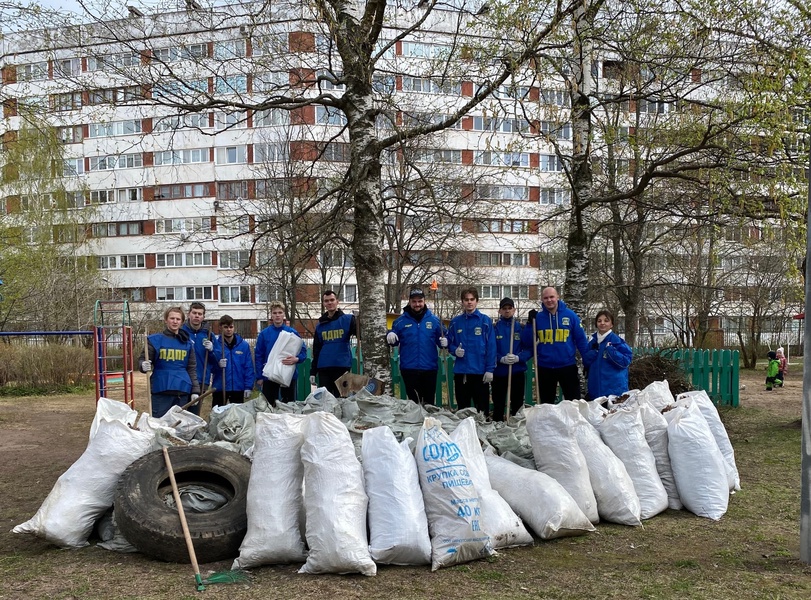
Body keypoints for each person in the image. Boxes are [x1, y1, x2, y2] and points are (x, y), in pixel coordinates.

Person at [386, 288, 448, 405]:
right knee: (414, 404)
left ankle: (428, 423)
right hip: (409, 368)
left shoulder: (434, 321)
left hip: (429, 368)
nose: (417, 304)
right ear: (409, 302)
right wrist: (390, 334)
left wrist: (446, 341)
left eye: (420, 301)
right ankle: (415, 423)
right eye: (414, 301)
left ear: (424, 301)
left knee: (429, 403)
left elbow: (444, 338)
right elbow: (393, 341)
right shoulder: (400, 322)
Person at [528, 287, 590, 403]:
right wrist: (529, 324)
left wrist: (587, 361)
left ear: (557, 297)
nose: (549, 300)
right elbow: (528, 341)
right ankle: (549, 422)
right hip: (545, 367)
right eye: (546, 298)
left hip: (567, 366)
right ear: (542, 299)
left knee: (573, 402)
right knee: (547, 404)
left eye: (552, 297)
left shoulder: (570, 316)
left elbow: (581, 340)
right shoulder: (538, 318)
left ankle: (573, 421)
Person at [138, 306, 200, 418]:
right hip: (161, 390)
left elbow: (191, 368)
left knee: (180, 428)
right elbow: (144, 359)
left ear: (182, 322)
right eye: (172, 318)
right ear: (166, 320)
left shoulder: (187, 343)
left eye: (178, 319)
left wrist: (195, 390)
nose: (175, 321)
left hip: (182, 390)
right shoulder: (154, 340)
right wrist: (143, 365)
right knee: (159, 426)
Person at [447, 287, 496, 416]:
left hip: (480, 372)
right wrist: (454, 350)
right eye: (466, 299)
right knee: (463, 411)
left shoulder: (485, 321)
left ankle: (482, 433)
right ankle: (465, 435)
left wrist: (490, 369)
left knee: (482, 410)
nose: (469, 302)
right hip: (462, 372)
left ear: (477, 301)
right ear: (462, 302)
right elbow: (449, 343)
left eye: (472, 299)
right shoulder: (455, 322)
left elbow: (491, 347)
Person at [255, 303, 307, 404]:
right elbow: (259, 356)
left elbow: (303, 351)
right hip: (269, 375)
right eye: (274, 313)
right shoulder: (264, 334)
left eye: (280, 312)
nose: (277, 315)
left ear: (284, 315)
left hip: (288, 375)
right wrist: (260, 377)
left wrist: (296, 359)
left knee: (288, 405)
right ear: (271, 315)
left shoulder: (292, 332)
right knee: (270, 405)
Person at [311, 291, 357, 398]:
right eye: (326, 301)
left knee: (342, 399)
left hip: (342, 366)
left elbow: (360, 335)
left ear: (337, 302)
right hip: (324, 368)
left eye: (332, 300)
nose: (329, 303)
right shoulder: (320, 325)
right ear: (323, 304)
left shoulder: (348, 320)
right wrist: (313, 371)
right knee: (326, 400)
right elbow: (316, 350)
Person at [492, 297, 532, 421]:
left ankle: (515, 427)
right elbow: (490, 350)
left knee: (517, 403)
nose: (507, 311)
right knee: (498, 403)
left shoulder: (521, 328)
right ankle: (498, 427)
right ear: (500, 311)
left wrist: (518, 357)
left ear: (514, 310)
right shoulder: (494, 328)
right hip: (499, 373)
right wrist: (500, 359)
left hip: (517, 372)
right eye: (504, 309)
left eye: (510, 308)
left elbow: (529, 349)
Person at [581, 309, 634, 400]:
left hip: (614, 392)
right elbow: (585, 363)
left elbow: (625, 361)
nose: (602, 323)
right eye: (599, 321)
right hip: (595, 391)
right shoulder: (592, 343)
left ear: (611, 324)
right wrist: (592, 353)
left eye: (606, 320)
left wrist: (611, 351)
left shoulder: (617, 342)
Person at [180, 302, 222, 415]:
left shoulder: (208, 335)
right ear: (189, 314)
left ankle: (192, 433)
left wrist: (212, 350)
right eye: (194, 313)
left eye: (200, 314)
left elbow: (219, 359)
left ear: (203, 317)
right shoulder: (181, 332)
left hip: (201, 379)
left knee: (194, 413)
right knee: (181, 411)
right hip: (183, 378)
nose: (196, 316)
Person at [211, 315, 255, 406]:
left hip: (237, 387)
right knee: (218, 416)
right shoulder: (216, 345)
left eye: (231, 327)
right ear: (220, 328)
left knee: (236, 417)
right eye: (225, 327)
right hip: (220, 387)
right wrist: (217, 363)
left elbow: (248, 367)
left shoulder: (243, 345)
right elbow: (210, 366)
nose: (229, 330)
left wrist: (248, 386)